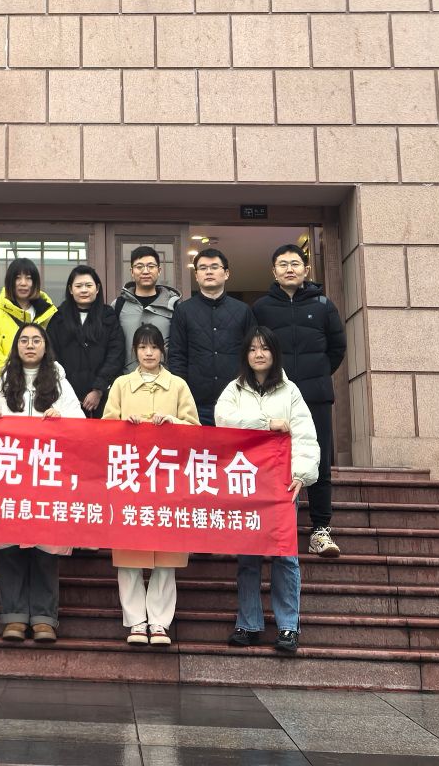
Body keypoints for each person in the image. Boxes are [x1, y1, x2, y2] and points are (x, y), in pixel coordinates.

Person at [215, 326, 321, 654]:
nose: (258, 354)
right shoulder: (234, 389)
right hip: (247, 485)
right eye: (252, 349)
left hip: (281, 486)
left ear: (274, 353)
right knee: (248, 556)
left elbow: (304, 435)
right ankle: (248, 624)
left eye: (264, 348)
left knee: (285, 556)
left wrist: (302, 473)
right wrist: (265, 424)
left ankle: (288, 626)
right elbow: (224, 421)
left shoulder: (290, 392)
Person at [101, 323, 199, 646]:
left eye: (154, 347)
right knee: (129, 554)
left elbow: (196, 431)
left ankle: (159, 623)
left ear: (162, 351)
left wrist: (174, 423)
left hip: (168, 480)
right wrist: (122, 425)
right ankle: (136, 621)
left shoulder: (178, 386)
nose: (148, 353)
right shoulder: (121, 385)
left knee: (167, 556)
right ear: (135, 351)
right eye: (142, 347)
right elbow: (103, 429)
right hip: (130, 479)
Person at [0, 321, 82, 643]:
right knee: (10, 547)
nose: (30, 345)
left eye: (36, 340)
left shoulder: (59, 381)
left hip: (46, 476)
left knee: (45, 549)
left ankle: (44, 618)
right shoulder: (3, 381)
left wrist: (60, 418)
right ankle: (13, 617)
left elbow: (80, 423)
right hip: (11, 475)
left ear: (45, 346)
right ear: (16, 347)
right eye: (24, 340)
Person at [252, 241, 347, 558]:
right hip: (275, 396)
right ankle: (272, 524)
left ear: (306, 269)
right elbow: (255, 349)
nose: (289, 269)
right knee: (272, 459)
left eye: (295, 263)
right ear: (274, 272)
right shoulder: (262, 308)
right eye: (283, 264)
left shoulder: (323, 304)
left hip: (315, 395)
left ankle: (320, 530)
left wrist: (316, 374)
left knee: (318, 459)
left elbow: (337, 348)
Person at [167, 248, 254, 425]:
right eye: (203, 268)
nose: (208, 272)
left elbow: (253, 353)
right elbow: (177, 355)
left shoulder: (243, 310)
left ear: (226, 273)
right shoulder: (184, 311)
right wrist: (183, 395)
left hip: (237, 401)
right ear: (196, 275)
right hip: (196, 403)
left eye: (214, 267)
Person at [0, 258, 56, 406]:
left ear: (35, 282)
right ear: (9, 282)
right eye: (17, 278)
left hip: (40, 390)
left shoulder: (48, 315)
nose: (23, 283)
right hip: (1, 391)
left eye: (28, 278)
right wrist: (18, 379)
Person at [48, 264, 123, 418]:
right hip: (64, 396)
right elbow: (51, 356)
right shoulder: (59, 318)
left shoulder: (108, 316)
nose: (84, 290)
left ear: (97, 288)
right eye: (78, 286)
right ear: (70, 289)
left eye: (88, 285)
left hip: (102, 397)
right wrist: (67, 392)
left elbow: (116, 353)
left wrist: (98, 389)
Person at [112, 245, 179, 372]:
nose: (146, 271)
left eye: (151, 266)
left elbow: (179, 347)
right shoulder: (118, 305)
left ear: (159, 270)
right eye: (139, 267)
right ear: (132, 272)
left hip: (164, 379)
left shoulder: (173, 305)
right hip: (128, 378)